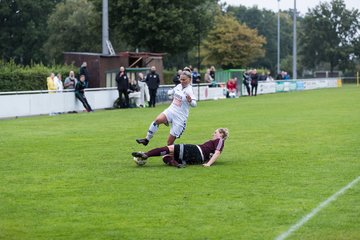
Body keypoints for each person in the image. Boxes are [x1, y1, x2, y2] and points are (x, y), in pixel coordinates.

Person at [136, 67, 196, 146]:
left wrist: (190, 101)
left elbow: (194, 104)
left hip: (180, 117)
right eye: (181, 79)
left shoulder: (189, 90)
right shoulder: (178, 86)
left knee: (169, 142)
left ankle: (172, 156)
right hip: (171, 110)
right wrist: (170, 92)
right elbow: (171, 92)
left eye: (184, 80)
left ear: (189, 79)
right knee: (157, 120)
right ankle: (146, 139)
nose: (181, 81)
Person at [132, 128, 229, 168]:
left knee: (170, 148)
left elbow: (217, 153)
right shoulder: (216, 142)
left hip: (197, 151)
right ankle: (176, 163)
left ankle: (146, 155)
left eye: (215, 132)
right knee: (165, 155)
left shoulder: (220, 140)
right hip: (197, 159)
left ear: (221, 134)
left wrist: (208, 164)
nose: (213, 133)